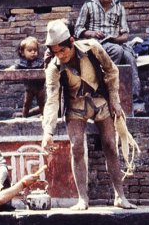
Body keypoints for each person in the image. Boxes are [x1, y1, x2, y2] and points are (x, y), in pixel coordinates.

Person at [41, 19, 135, 210]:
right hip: (75, 105)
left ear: (72, 41)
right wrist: (48, 132)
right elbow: (51, 100)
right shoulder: (54, 67)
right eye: (55, 52)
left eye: (62, 50)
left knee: (110, 144)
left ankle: (120, 196)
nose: (60, 55)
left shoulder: (93, 48)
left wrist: (115, 100)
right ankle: (82, 199)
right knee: (76, 146)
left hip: (99, 100)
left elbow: (111, 71)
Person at [75, 0, 144, 111]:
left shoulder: (119, 7)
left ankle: (136, 101)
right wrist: (92, 33)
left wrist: (115, 38)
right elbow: (78, 30)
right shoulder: (88, 6)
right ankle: (105, 92)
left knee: (129, 57)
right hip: (95, 43)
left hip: (115, 42)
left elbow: (125, 34)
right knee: (116, 51)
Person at [8, 36, 45, 117]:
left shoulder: (40, 62)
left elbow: (46, 66)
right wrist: (9, 69)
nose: (33, 52)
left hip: (40, 88)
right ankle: (24, 116)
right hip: (29, 88)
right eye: (30, 50)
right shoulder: (21, 63)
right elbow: (15, 67)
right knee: (26, 103)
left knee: (41, 103)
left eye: (35, 50)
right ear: (22, 52)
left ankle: (44, 116)